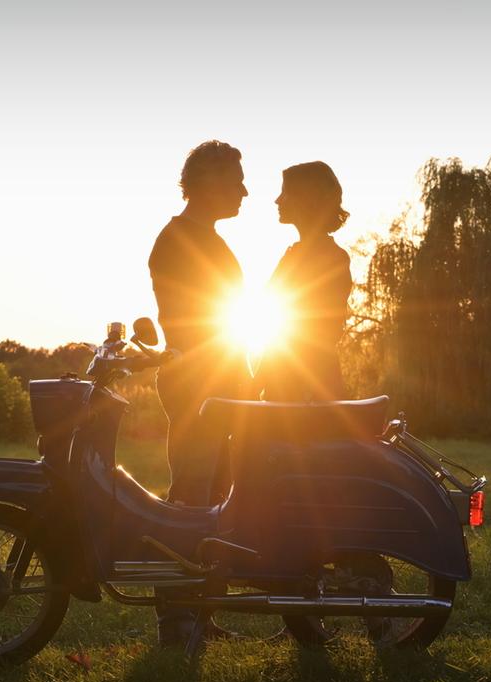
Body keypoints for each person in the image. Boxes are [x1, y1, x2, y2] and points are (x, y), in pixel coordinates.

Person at [147, 139, 250, 646]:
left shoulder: (206, 237)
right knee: (191, 500)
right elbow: (191, 326)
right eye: (236, 181)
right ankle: (176, 620)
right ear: (207, 182)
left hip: (220, 385)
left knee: (216, 499)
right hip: (198, 387)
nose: (245, 192)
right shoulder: (180, 240)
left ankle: (201, 612)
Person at [257, 161, 353, 402]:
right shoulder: (297, 254)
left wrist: (254, 384)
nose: (277, 200)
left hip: (304, 389)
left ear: (305, 199)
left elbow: (309, 334)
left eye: (285, 192)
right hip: (291, 382)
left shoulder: (328, 257)